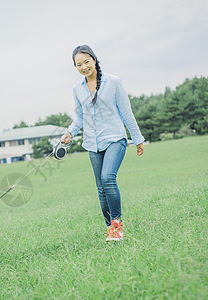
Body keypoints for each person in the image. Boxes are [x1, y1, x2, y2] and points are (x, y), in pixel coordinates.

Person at [61, 45, 145, 241]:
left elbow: (126, 112)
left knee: (108, 178)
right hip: (92, 143)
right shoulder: (77, 89)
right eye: (78, 65)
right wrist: (69, 133)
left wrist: (138, 139)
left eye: (86, 62)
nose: (83, 67)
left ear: (94, 59)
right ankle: (110, 229)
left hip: (115, 138)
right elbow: (80, 117)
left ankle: (117, 226)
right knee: (101, 189)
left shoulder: (113, 82)